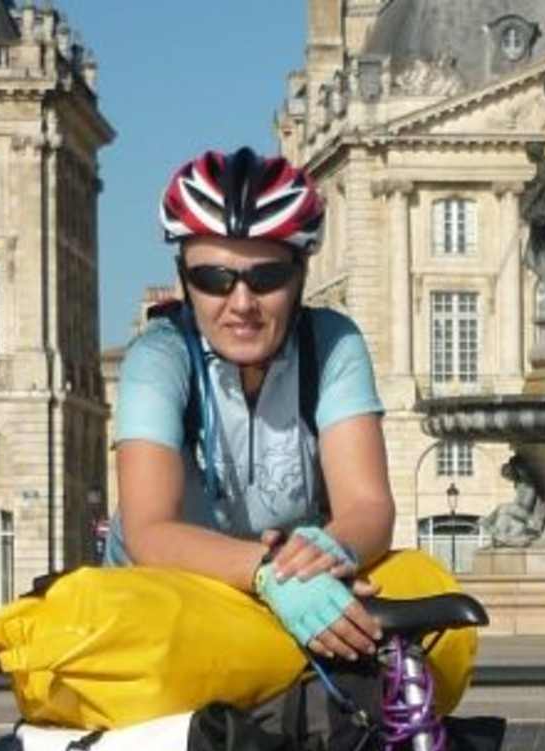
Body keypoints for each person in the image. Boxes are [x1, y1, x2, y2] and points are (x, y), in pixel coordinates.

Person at [108, 146, 387, 665]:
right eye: (213, 279)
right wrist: (270, 569)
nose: (240, 303)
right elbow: (150, 530)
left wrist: (332, 548)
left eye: (266, 278)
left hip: (292, 587)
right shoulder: (159, 355)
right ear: (183, 278)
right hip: (166, 602)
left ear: (300, 273)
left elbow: (367, 506)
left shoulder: (332, 345)